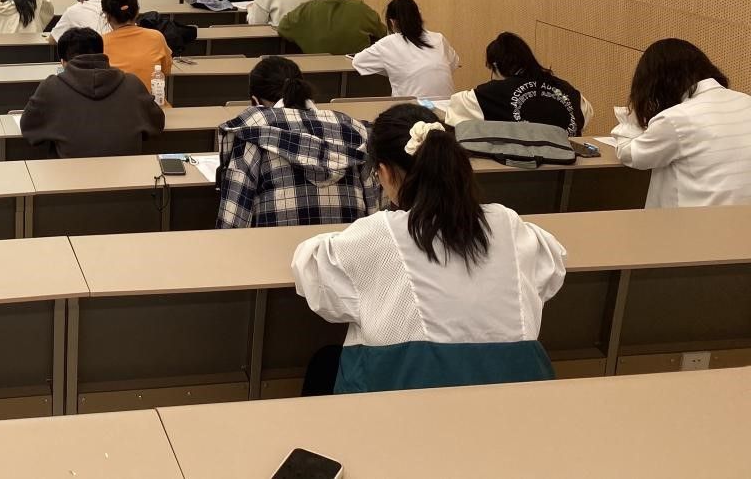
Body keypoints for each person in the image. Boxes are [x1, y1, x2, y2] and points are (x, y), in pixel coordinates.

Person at [291, 104, 567, 394]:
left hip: (404, 401)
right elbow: (550, 273)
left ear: (384, 172)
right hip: (520, 399)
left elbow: (313, 276)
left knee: (326, 364)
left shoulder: (377, 233)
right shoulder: (507, 222)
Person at [216, 56, 378, 228]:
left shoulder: (252, 131)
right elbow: (373, 205)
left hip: (273, 243)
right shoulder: (354, 129)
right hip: (344, 241)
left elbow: (233, 219)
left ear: (255, 102)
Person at [612, 38, 751, 208]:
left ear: (658, 83)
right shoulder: (747, 102)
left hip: (693, 222)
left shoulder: (676, 119)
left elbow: (630, 154)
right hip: (743, 219)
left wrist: (632, 115)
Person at [19, 28, 165, 158]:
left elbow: (29, 129)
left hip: (69, 176)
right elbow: (157, 124)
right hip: (129, 176)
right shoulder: (133, 84)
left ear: (63, 62)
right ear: (102, 54)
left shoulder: (51, 87)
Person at [445, 32, 593, 136]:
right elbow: (586, 116)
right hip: (569, 165)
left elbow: (455, 108)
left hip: (520, 168)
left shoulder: (495, 93)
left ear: (496, 65)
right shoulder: (568, 91)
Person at [351, 0, 460, 99]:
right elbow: (454, 64)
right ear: (418, 17)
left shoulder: (389, 42)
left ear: (392, 22)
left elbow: (358, 61)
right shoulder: (438, 38)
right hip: (448, 106)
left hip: (413, 108)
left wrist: (390, 68)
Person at [276, 0, 386, 55]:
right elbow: (383, 32)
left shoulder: (305, 9)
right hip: (356, 74)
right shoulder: (360, 8)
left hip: (315, 72)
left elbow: (282, 28)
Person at [101, 0, 173, 92]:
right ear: (137, 11)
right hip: (151, 101)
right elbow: (166, 71)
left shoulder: (100, 43)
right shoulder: (156, 37)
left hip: (116, 102)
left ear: (107, 16)